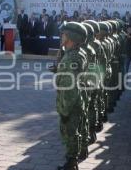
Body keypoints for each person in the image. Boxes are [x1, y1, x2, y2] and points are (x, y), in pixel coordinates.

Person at [56, 22, 88, 170]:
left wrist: (65, 110)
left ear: (71, 37)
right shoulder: (73, 54)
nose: (61, 36)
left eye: (64, 34)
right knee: (72, 133)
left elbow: (70, 87)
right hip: (75, 101)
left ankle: (71, 164)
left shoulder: (72, 58)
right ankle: (72, 161)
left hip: (71, 103)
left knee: (70, 133)